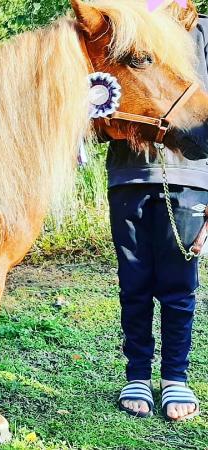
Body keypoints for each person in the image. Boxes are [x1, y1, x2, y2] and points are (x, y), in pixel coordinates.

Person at [110, 1, 207, 421]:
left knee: (179, 283)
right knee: (133, 281)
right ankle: (136, 374)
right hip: (128, 178)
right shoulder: (123, 31)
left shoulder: (201, 33)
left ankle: (175, 378)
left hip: (192, 179)